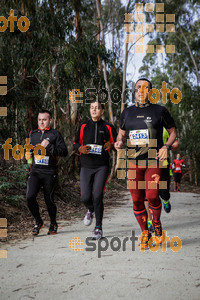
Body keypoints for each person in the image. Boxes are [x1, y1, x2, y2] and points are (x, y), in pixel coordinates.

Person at [115, 78, 176, 249]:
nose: (141, 91)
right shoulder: (126, 113)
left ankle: (156, 223)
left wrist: (166, 146)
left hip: (153, 158)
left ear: (151, 91)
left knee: (152, 196)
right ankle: (145, 233)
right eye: (138, 88)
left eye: (146, 88)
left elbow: (172, 132)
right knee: (136, 199)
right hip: (134, 161)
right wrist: (119, 141)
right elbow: (121, 134)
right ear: (134, 92)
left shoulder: (160, 111)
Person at [73, 100, 117, 240]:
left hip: (101, 166)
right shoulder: (83, 126)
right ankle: (90, 209)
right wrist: (79, 148)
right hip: (86, 166)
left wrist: (112, 145)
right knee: (85, 197)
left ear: (102, 111)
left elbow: (118, 143)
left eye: (97, 108)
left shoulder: (108, 127)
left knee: (98, 195)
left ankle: (98, 227)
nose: (94, 110)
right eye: (92, 108)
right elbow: (75, 142)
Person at [26, 109, 68, 235]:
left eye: (44, 120)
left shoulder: (55, 134)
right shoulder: (33, 134)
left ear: (50, 120)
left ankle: (53, 223)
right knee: (29, 196)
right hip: (35, 171)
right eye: (39, 120)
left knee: (49, 199)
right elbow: (29, 151)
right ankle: (38, 222)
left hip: (50, 172)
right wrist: (28, 155)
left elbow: (64, 152)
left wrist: (49, 146)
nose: (42, 122)